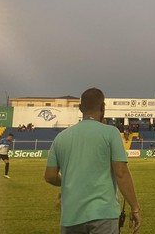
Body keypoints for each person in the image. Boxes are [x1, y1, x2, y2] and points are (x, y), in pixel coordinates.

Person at [44, 88, 141, 233]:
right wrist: (135, 207)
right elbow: (121, 173)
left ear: (81, 108)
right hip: (104, 214)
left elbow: (50, 176)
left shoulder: (61, 137)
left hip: (71, 216)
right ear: (103, 108)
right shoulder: (111, 133)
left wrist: (67, 181)